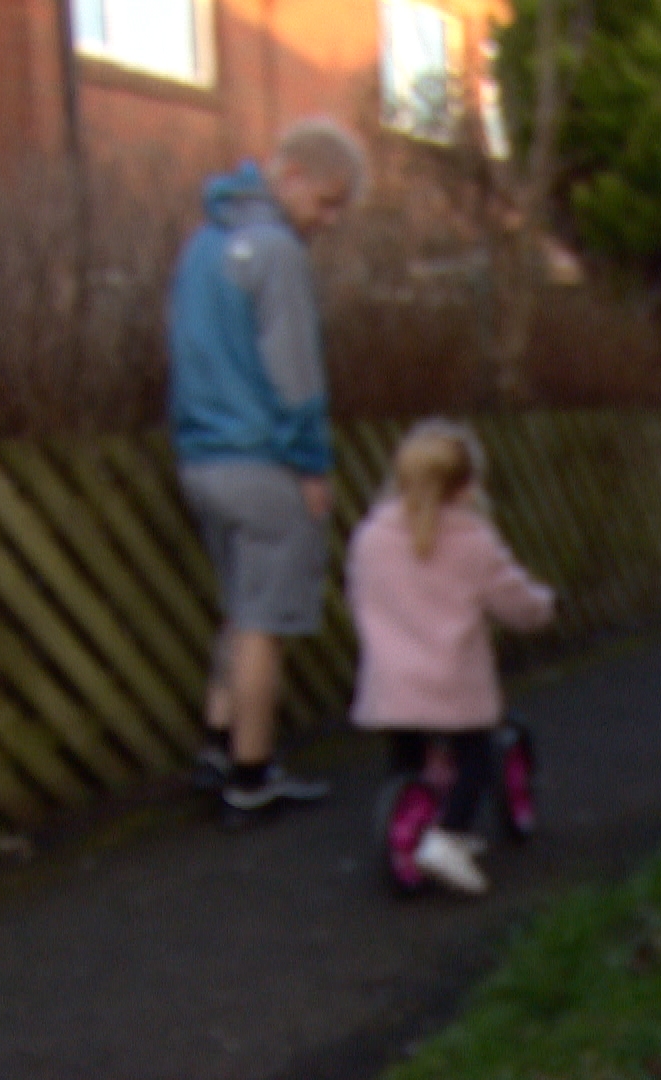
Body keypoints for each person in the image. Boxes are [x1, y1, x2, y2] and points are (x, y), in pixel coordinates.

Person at [167, 118, 367, 815]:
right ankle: (252, 776)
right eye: (328, 202)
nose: (329, 220)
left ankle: (218, 746)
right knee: (264, 622)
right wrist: (312, 465)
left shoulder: (203, 244)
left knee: (238, 607)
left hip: (201, 457)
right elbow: (295, 374)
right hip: (261, 462)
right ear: (292, 175)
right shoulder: (277, 253)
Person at [346, 419, 556, 894]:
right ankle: (449, 838)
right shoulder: (472, 541)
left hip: (393, 682)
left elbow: (360, 597)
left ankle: (409, 821)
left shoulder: (370, 538)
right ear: (466, 487)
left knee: (406, 758)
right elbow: (514, 601)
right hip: (451, 683)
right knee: (476, 758)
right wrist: (543, 608)